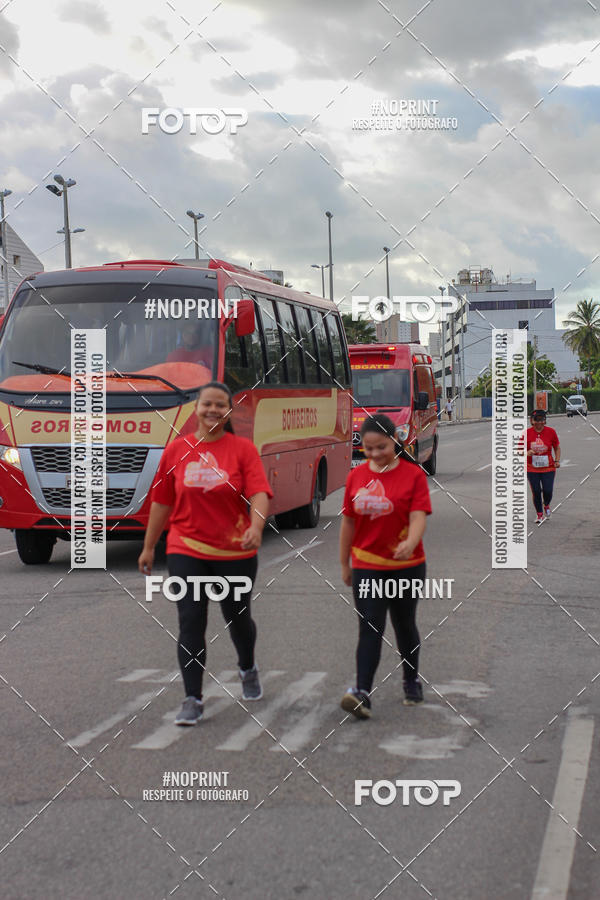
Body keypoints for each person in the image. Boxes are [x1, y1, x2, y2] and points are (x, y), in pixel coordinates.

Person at [138, 381, 272, 725]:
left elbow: (259, 493)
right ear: (196, 409)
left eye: (220, 405)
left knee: (237, 618)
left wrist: (256, 528)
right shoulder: (176, 451)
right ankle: (193, 699)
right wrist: (149, 547)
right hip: (186, 548)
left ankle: (247, 667)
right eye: (206, 404)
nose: (213, 410)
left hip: (235, 552)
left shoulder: (242, 450)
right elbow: (162, 502)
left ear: (229, 411)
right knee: (191, 621)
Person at [339, 414, 432, 718]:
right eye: (369, 449)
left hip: (407, 566)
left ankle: (411, 680)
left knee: (404, 625)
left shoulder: (413, 475)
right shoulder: (356, 477)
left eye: (382, 447)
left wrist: (410, 542)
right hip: (367, 565)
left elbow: (418, 516)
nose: (376, 453)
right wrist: (344, 563)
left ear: (395, 441)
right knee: (370, 627)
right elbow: (348, 522)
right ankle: (362, 693)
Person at [526, 409, 560, 524]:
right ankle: (539, 514)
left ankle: (546, 504)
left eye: (542, 419)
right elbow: (519, 450)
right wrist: (526, 452)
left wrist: (557, 460)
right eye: (537, 419)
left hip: (548, 468)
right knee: (536, 491)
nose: (539, 422)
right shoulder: (526, 433)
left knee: (548, 490)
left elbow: (557, 447)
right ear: (532, 420)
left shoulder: (551, 432)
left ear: (545, 421)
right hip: (532, 468)